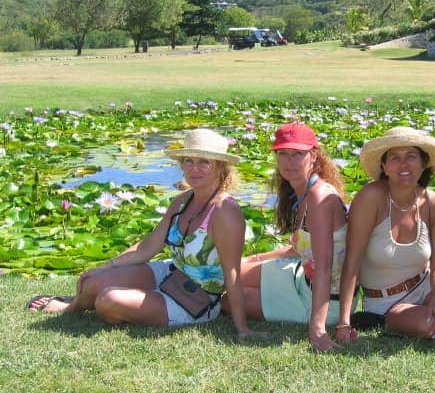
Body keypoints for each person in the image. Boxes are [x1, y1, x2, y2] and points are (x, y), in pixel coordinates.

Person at [27, 129, 262, 336]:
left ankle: (125, 304)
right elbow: (149, 246)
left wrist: (242, 328)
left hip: (196, 298)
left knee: (108, 300)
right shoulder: (183, 200)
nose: (194, 168)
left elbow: (231, 274)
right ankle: (72, 307)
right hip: (171, 272)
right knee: (93, 282)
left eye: (204, 162)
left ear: (220, 167)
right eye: (188, 161)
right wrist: (107, 266)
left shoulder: (225, 212)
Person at [335, 126, 435, 343]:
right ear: (384, 166)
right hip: (385, 301)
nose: (404, 165)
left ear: (423, 163)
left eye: (411, 156)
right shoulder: (371, 197)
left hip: (427, 286)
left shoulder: (434, 203)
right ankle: (422, 318)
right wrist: (344, 322)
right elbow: (351, 262)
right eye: (395, 158)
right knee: (428, 324)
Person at [223, 122, 358, 351]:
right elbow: (299, 250)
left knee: (227, 300)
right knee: (230, 274)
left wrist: (318, 329)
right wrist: (253, 259)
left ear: (313, 156)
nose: (289, 162)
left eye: (298, 154)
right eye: (283, 154)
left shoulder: (320, 197)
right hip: (301, 278)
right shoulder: (301, 193)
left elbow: (324, 267)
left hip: (325, 300)